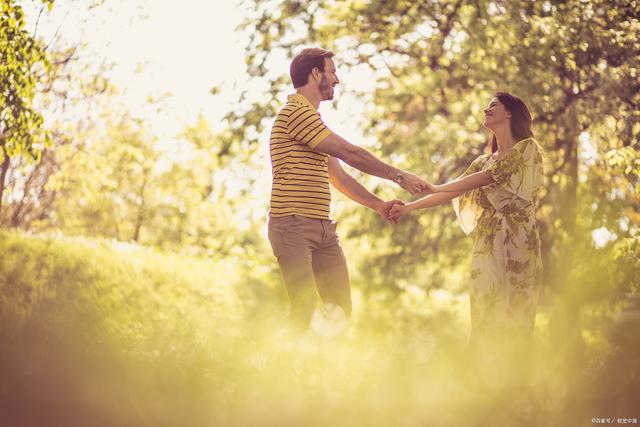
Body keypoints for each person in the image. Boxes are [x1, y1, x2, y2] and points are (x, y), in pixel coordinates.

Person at [268, 47, 428, 329]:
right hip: (292, 225)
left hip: (323, 230)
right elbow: (350, 153)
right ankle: (285, 371)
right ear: (316, 73)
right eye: (332, 71)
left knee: (339, 310)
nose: (337, 79)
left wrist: (378, 205)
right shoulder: (295, 113)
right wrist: (398, 176)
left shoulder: (313, 121)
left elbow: (338, 176)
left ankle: (328, 372)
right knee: (303, 308)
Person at [389, 92, 544, 383]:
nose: (486, 109)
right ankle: (482, 380)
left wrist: (434, 187)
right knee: (485, 303)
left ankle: (518, 381)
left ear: (510, 113)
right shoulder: (483, 160)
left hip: (519, 237)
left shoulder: (527, 149)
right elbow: (454, 190)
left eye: (493, 105)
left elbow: (489, 178)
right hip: (487, 240)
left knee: (517, 306)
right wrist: (408, 207)